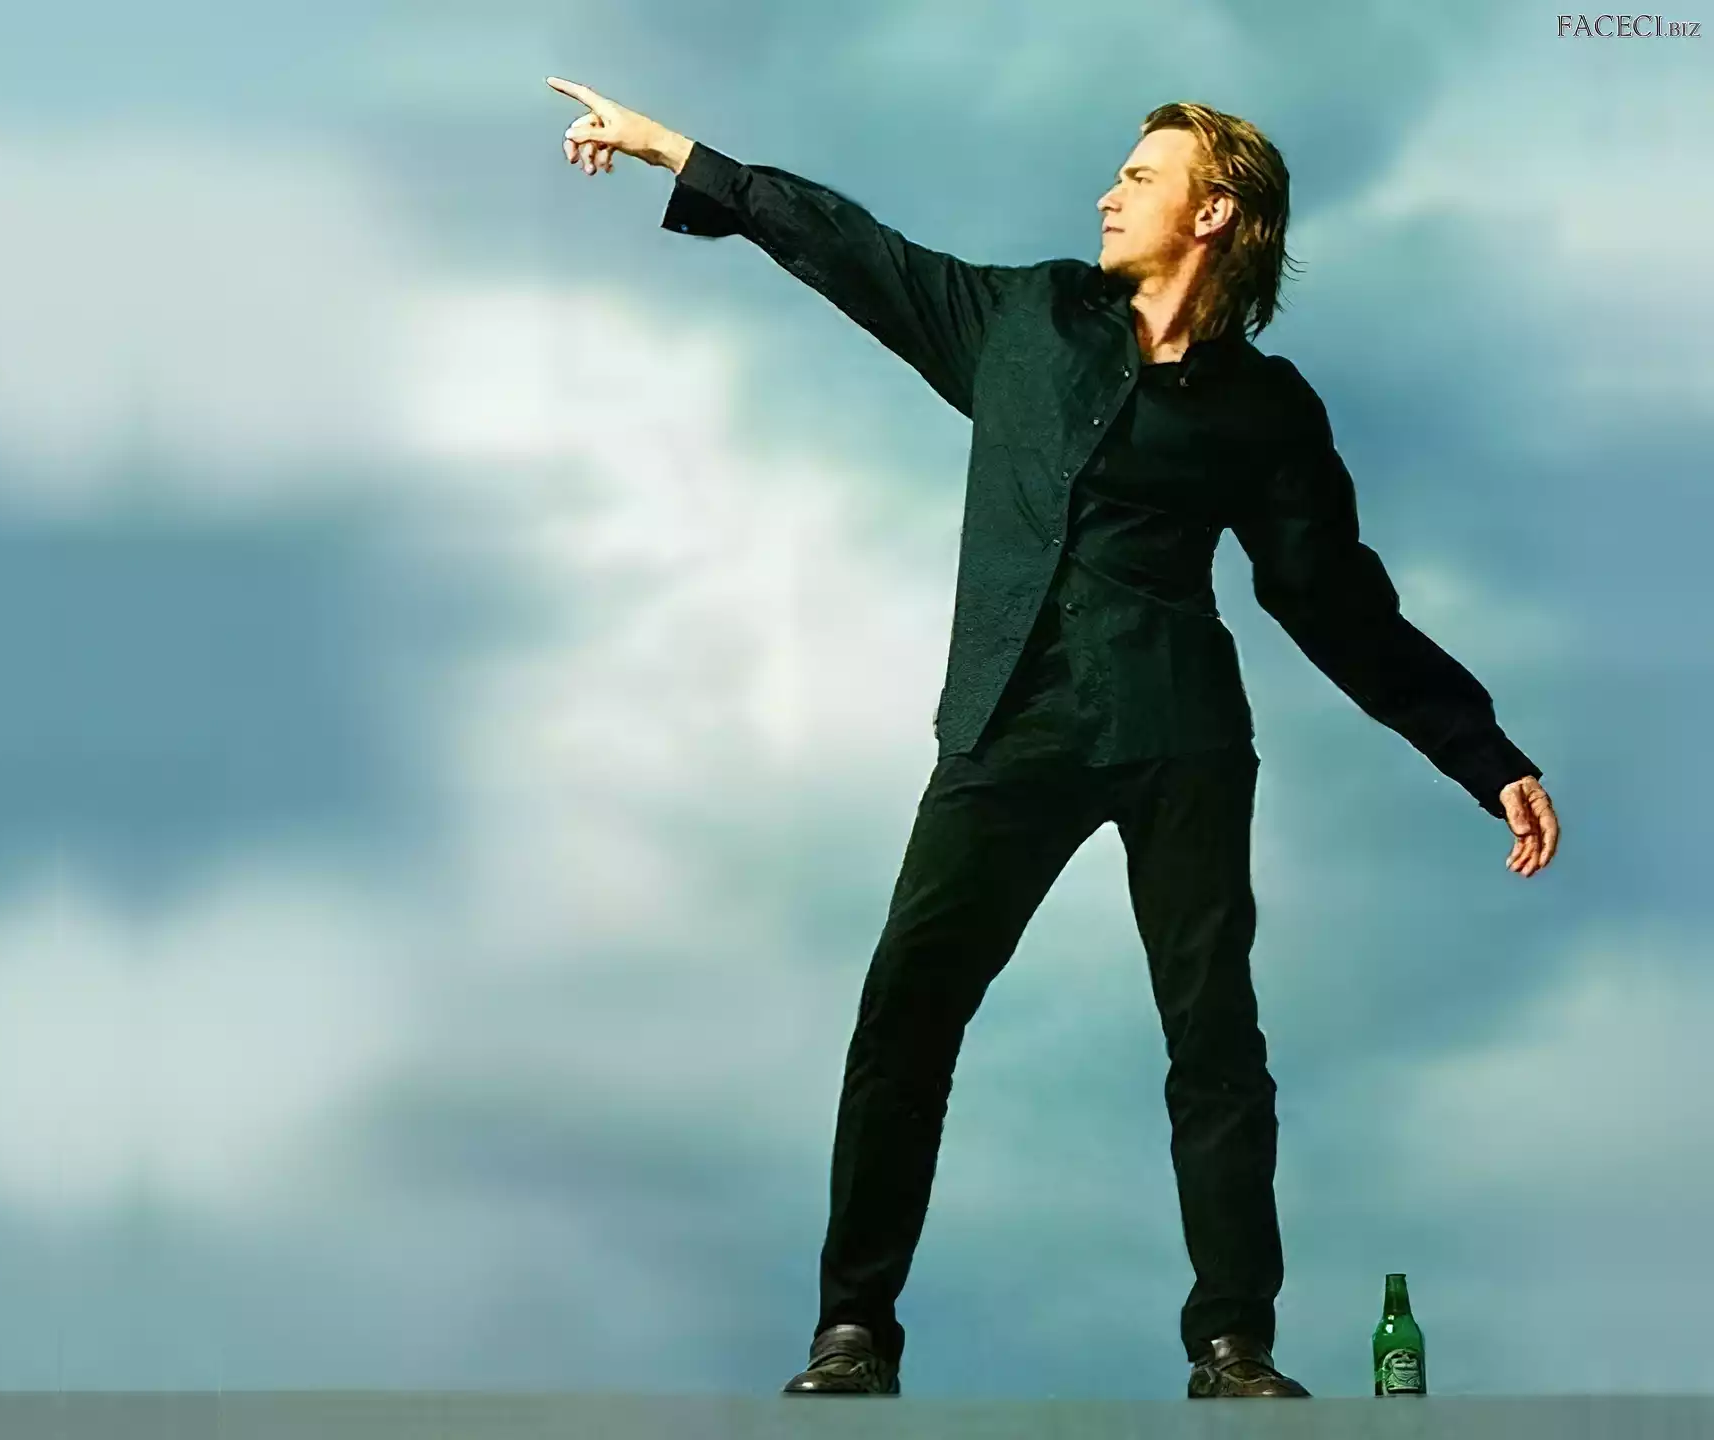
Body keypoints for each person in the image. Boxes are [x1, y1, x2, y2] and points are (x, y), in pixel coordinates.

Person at [545, 76, 1561, 1400]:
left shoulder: (1266, 410)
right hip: (1008, 724)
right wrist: (676, 151)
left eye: (1139, 177)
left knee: (1214, 1037)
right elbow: (855, 249)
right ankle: (853, 1333)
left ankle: (1233, 1347)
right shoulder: (1021, 322)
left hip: (1177, 729)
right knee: (907, 1011)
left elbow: (1334, 603)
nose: (1107, 194)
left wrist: (1482, 752)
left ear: (1213, 211)